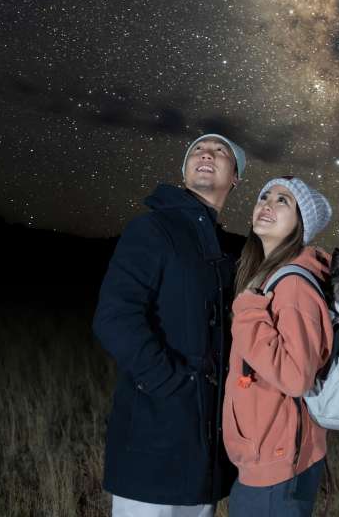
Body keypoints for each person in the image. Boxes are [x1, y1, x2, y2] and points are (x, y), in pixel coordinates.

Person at [92, 133, 247, 516]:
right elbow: (114, 317)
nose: (206, 154)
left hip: (205, 455)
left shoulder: (231, 252)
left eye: (220, 151)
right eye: (197, 150)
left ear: (236, 178)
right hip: (153, 439)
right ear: (184, 170)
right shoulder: (152, 229)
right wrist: (170, 383)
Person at [222, 176, 334, 516]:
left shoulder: (293, 285)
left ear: (301, 223)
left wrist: (246, 314)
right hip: (271, 455)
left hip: (278, 464)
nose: (267, 204)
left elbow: (296, 376)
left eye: (283, 200)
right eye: (264, 196)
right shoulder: (272, 276)